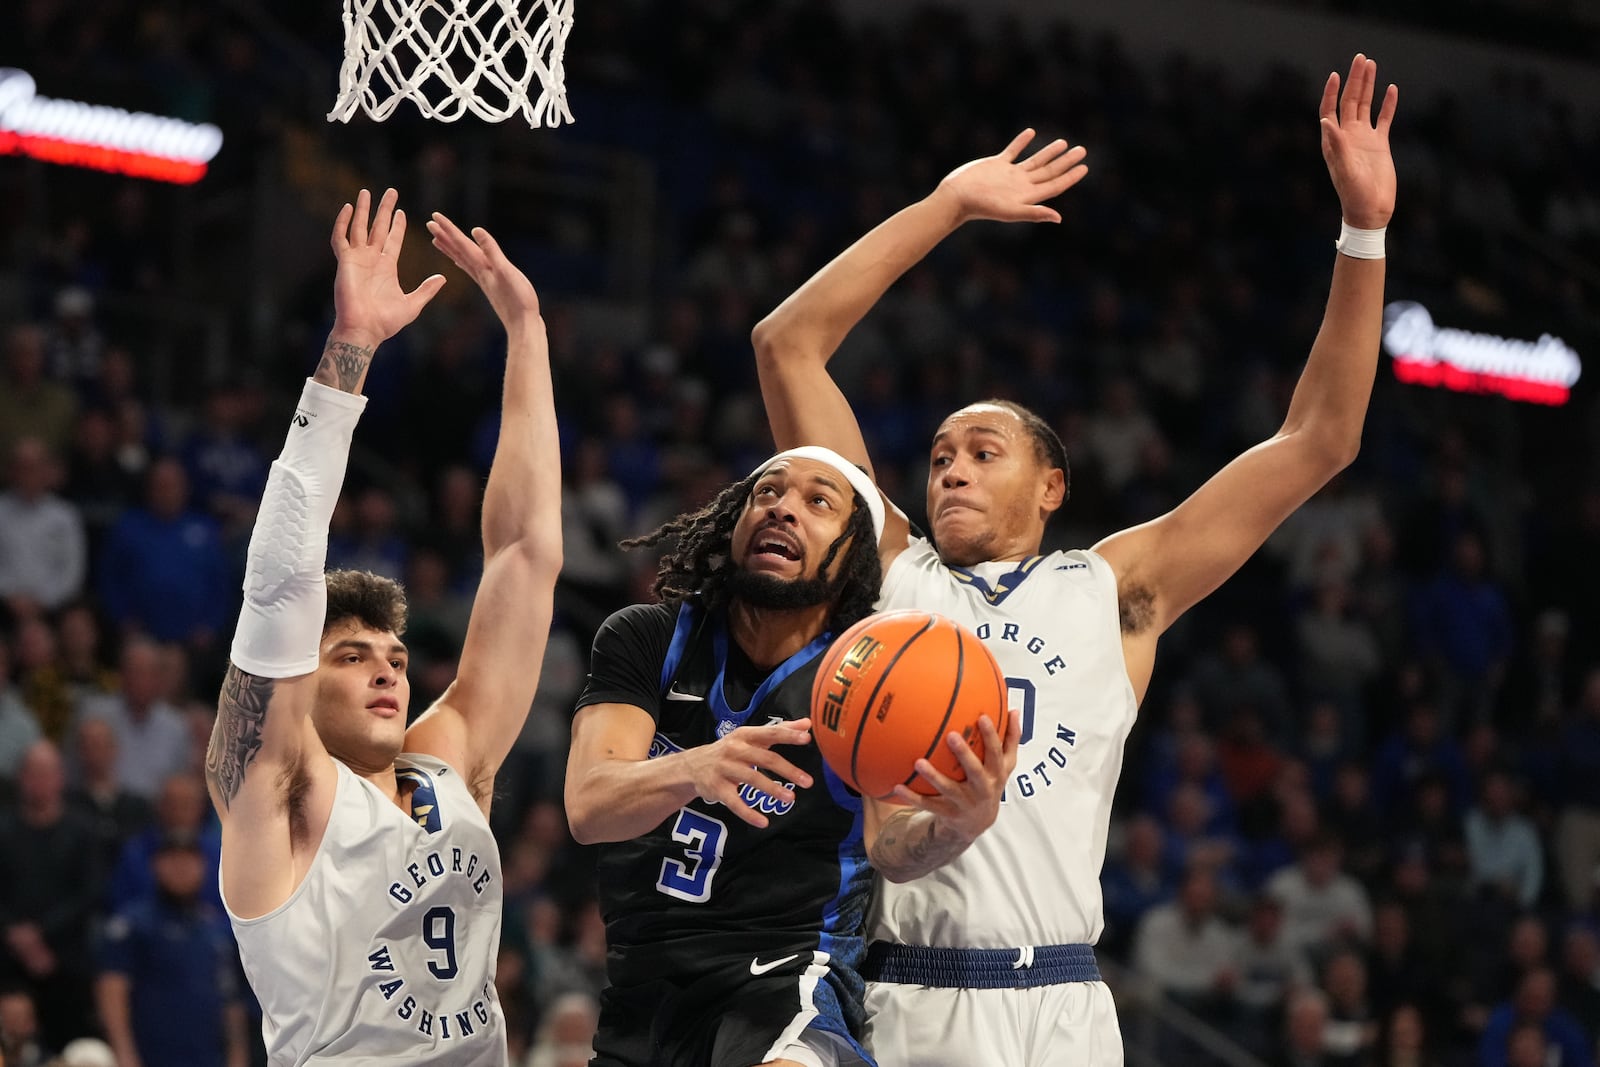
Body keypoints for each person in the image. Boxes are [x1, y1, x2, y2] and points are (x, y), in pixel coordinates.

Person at [752, 54, 1398, 1066]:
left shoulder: (1116, 588)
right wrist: (947, 203)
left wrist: (1364, 230)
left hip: (1064, 1006)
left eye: (982, 451)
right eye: (937, 457)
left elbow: (1320, 437)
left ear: (1051, 485)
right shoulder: (891, 572)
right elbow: (787, 345)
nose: (950, 471)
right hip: (912, 996)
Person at [203, 188, 563, 1065]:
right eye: (353, 655)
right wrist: (352, 346)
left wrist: (526, 336)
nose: (388, 672)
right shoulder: (277, 792)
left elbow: (524, 551)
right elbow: (282, 576)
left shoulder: (450, 762)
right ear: (299, 681)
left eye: (396, 657)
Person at [564, 445, 1019, 1067]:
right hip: (642, 989)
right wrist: (694, 766)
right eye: (767, 493)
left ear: (853, 552)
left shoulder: (866, 681)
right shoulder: (649, 636)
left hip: (784, 981)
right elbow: (590, 806)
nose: (782, 509)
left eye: (818, 502)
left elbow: (892, 849)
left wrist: (956, 825)